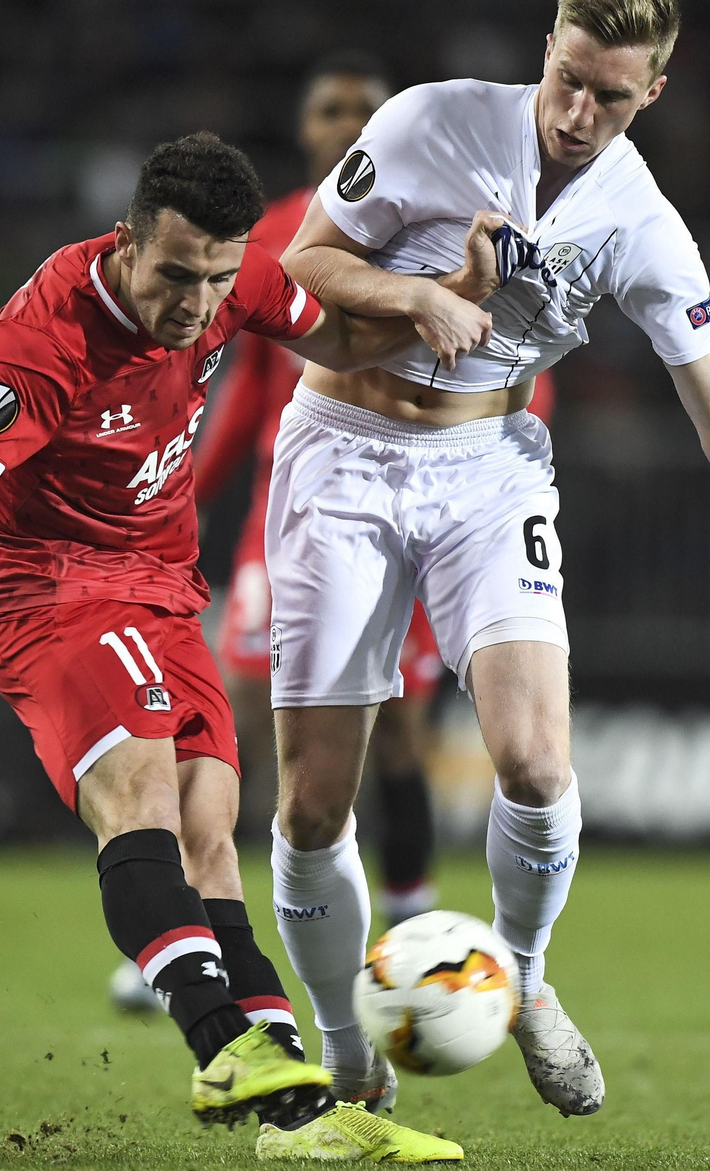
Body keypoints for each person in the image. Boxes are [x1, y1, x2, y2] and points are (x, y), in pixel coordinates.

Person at [266, 0, 710, 1122]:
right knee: (308, 806)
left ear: (655, 96)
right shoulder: (427, 123)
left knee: (536, 766)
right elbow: (299, 270)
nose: (579, 114)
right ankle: (349, 1058)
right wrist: (421, 293)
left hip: (490, 466)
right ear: (546, 48)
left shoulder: (645, 229)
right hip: (341, 455)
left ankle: (526, 980)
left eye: (612, 96)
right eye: (570, 80)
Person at [0, 132, 478, 1163]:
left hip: (159, 581)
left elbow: (333, 340)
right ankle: (220, 1048)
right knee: (141, 793)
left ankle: (304, 1124)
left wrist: (431, 300)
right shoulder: (47, 335)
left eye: (218, 279)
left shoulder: (230, 282)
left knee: (210, 826)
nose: (197, 303)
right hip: (45, 586)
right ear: (127, 243)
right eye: (177, 275)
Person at [193, 52, 558, 936]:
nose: (349, 123)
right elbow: (248, 382)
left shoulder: (448, 207)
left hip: (432, 498)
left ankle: (409, 921)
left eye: (367, 109)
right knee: (253, 717)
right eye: (331, 109)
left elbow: (520, 359)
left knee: (395, 732)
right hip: (303, 498)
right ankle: (212, 914)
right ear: (306, 128)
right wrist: (190, 493)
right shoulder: (278, 231)